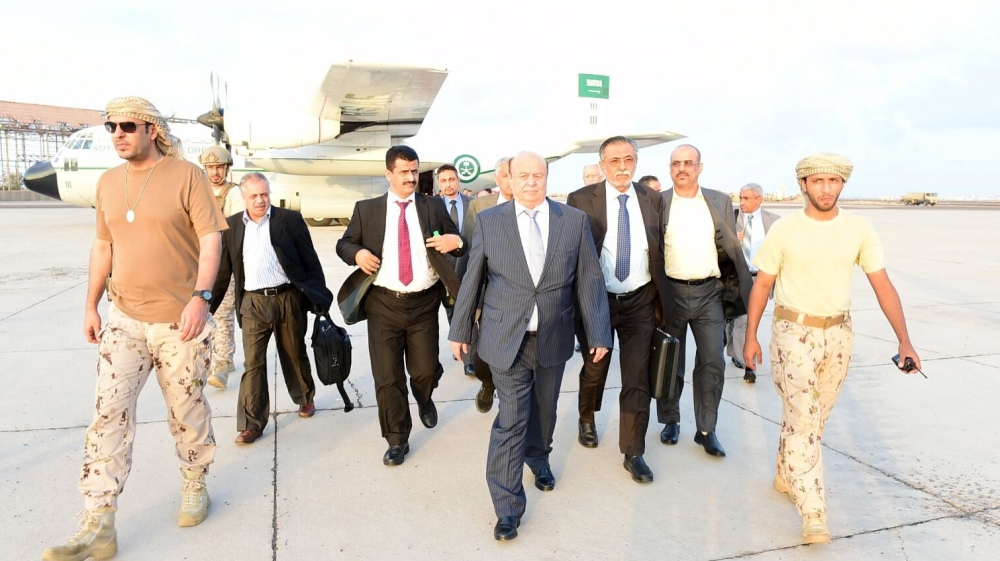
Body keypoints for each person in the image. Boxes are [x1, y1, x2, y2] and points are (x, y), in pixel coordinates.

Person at [44, 96, 227, 561]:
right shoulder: (107, 183)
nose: (118, 133)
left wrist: (200, 299)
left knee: (186, 409)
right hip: (124, 319)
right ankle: (99, 521)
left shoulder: (187, 175)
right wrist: (90, 305)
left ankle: (194, 481)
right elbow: (102, 247)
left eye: (127, 125)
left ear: (151, 130)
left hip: (178, 322)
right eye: (111, 127)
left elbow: (211, 241)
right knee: (107, 415)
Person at [743, 153, 921, 544]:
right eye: (818, 181)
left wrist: (904, 339)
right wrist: (751, 335)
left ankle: (785, 473)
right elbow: (761, 285)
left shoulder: (859, 229)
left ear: (842, 185)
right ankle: (814, 513)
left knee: (813, 418)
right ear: (803, 184)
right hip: (793, 331)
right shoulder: (785, 231)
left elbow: (883, 285)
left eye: (834, 182)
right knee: (804, 420)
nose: (826, 188)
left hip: (839, 334)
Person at [448, 151, 612, 541]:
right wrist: (460, 331)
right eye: (523, 175)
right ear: (508, 178)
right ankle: (507, 507)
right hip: (506, 338)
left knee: (545, 410)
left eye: (538, 175)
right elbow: (471, 279)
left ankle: (539, 458)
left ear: (546, 178)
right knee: (512, 418)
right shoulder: (490, 221)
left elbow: (588, 279)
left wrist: (599, 334)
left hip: (553, 335)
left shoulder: (573, 222)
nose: (531, 182)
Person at [336, 145, 465, 466]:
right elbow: (344, 243)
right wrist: (357, 254)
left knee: (423, 370)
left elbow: (458, 241)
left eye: (414, 171)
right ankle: (396, 438)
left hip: (424, 305)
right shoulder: (367, 209)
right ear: (389, 174)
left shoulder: (433, 205)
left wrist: (456, 241)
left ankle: (424, 397)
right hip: (383, 305)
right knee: (387, 377)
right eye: (404, 172)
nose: (411, 177)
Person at [566, 136, 669, 483]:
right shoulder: (582, 200)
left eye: (628, 159)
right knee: (595, 368)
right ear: (603, 165)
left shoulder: (652, 199)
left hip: (640, 300)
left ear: (636, 162)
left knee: (637, 377)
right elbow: (571, 255)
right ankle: (587, 416)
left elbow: (661, 251)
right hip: (598, 302)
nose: (622, 166)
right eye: (614, 161)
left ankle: (633, 450)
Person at [211, 172, 333, 445]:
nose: (260, 200)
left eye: (264, 194)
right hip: (252, 303)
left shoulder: (289, 220)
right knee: (253, 363)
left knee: (293, 352)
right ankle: (252, 423)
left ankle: (304, 397)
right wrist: (207, 309)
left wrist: (319, 298)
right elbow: (222, 273)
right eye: (253, 196)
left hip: (286, 298)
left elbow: (309, 261)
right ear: (243, 198)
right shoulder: (231, 227)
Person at [655, 144, 753, 458]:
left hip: (709, 292)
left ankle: (706, 429)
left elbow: (729, 250)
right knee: (671, 360)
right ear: (669, 168)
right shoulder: (658, 203)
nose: (682, 168)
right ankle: (670, 419)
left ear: (700, 167)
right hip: (671, 293)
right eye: (676, 163)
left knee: (713, 361)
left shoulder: (719, 201)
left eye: (688, 163)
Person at [454, 156, 512, 410]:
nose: (511, 180)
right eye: (506, 175)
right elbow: (467, 250)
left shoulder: (535, 207)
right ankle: (487, 383)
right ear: (497, 179)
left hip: (520, 295)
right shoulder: (481, 206)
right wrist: (459, 291)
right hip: (487, 291)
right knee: (482, 355)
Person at [198, 145, 245, 389]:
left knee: (223, 314)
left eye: (219, 167)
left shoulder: (234, 194)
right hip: (200, 261)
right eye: (210, 167)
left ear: (227, 168)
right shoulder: (197, 191)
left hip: (224, 263)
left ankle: (222, 364)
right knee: (201, 313)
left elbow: (236, 228)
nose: (215, 172)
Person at [727, 182, 779, 383]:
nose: (742, 202)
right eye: (740, 197)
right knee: (742, 318)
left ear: (759, 199)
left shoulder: (773, 222)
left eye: (747, 198)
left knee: (745, 318)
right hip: (738, 276)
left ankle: (737, 352)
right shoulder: (730, 218)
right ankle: (746, 361)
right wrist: (733, 239)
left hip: (761, 277)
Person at [437, 163, 472, 326]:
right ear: (438, 183)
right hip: (443, 271)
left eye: (451, 179)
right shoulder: (432, 207)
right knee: (452, 316)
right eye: (443, 180)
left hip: (469, 268)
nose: (448, 184)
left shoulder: (473, 204)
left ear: (458, 180)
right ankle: (457, 351)